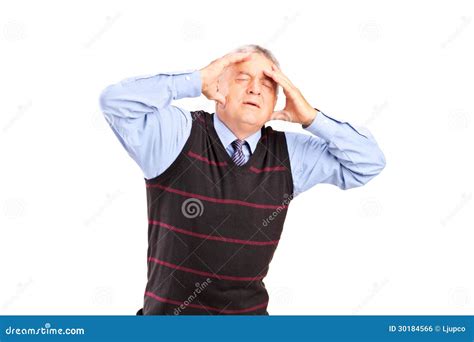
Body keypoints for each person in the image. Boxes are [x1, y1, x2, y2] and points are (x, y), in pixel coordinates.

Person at [99, 44, 386, 315]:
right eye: (242, 78)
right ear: (217, 87)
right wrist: (194, 80)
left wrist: (311, 117)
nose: (255, 89)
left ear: (277, 98)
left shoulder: (290, 153)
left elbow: (367, 163)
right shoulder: (178, 134)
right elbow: (115, 102)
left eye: (268, 84)